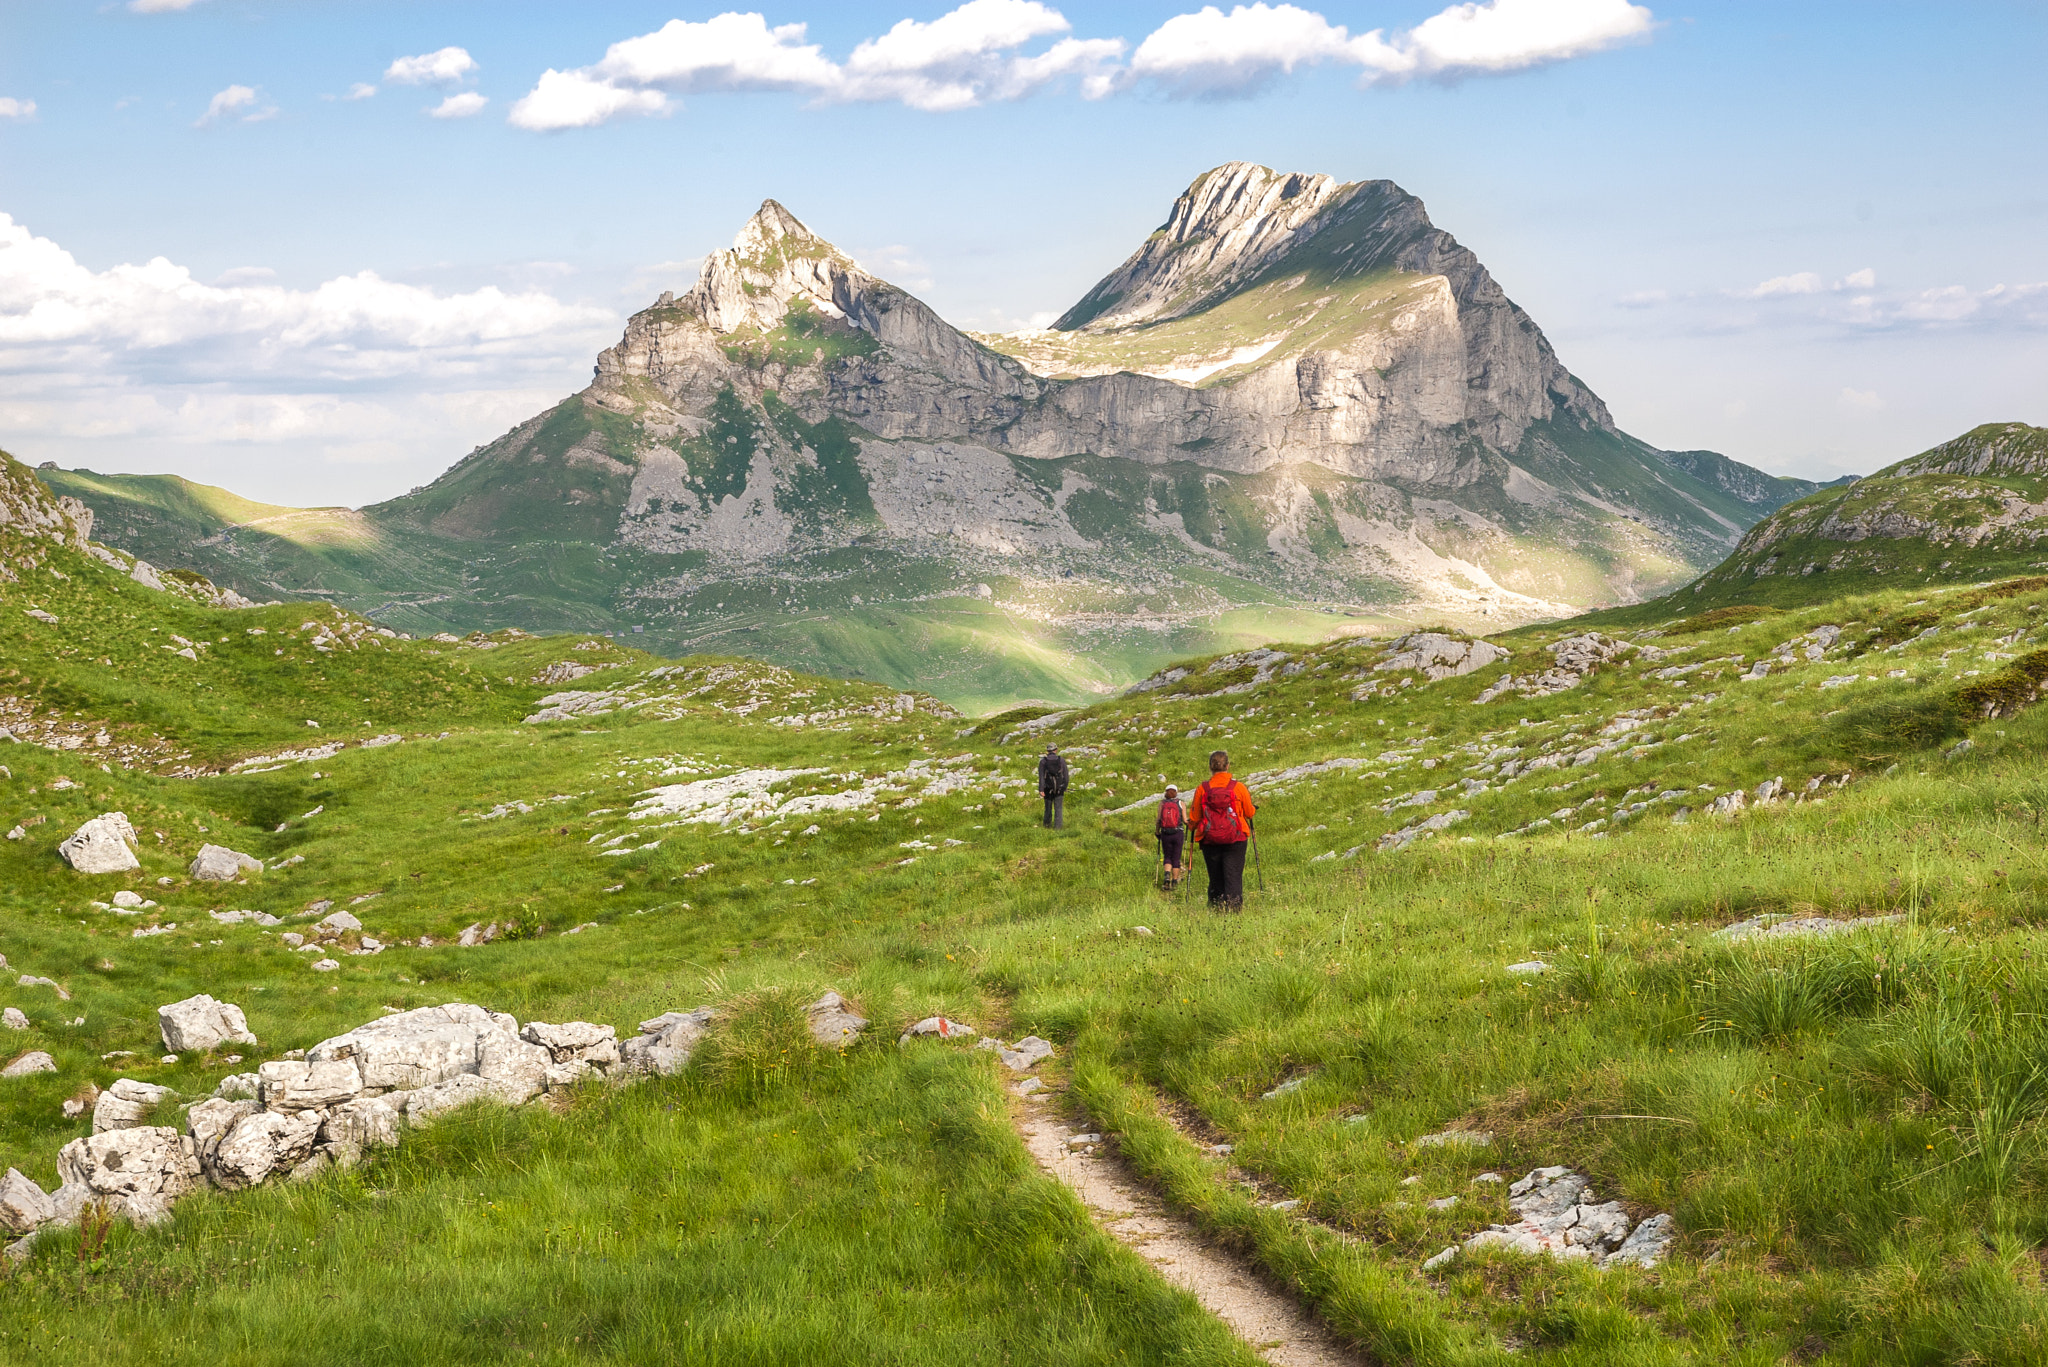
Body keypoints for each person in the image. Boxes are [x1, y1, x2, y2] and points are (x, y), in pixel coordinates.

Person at [1192, 750, 1256, 910]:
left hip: (1210, 839)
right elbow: (1249, 813)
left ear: (1210, 767)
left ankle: (1215, 909)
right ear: (1227, 766)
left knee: (1215, 878)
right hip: (1236, 838)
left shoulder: (1203, 789)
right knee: (1233, 876)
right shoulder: (1238, 787)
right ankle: (1234, 912)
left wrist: (1190, 826)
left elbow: (1194, 817)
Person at [1156, 784, 1186, 885]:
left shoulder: (1162, 804)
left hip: (1165, 833)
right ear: (1176, 792)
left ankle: (1167, 877)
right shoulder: (1181, 803)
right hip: (1178, 833)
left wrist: (1157, 832)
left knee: (1167, 856)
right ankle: (1174, 881)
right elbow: (1185, 820)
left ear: (1166, 792)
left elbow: (1159, 820)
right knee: (1176, 857)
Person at [1037, 743, 1070, 829]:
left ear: (1047, 751)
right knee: (1058, 808)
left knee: (1048, 808)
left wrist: (1041, 789)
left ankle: (1047, 826)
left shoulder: (1043, 761)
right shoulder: (1061, 760)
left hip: (1047, 788)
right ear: (1056, 750)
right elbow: (1066, 776)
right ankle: (1058, 828)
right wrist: (1064, 787)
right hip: (1059, 788)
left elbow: (1041, 777)